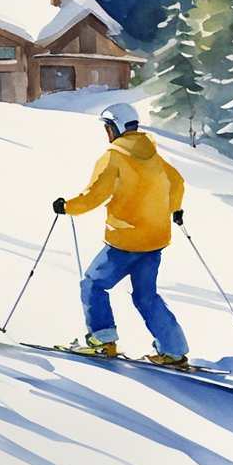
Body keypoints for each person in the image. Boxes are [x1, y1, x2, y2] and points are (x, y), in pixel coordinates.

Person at [52, 102, 190, 366]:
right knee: (146, 296)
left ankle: (102, 340)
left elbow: (94, 195)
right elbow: (177, 182)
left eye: (107, 128)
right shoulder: (153, 156)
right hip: (155, 240)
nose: (107, 134)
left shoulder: (114, 157)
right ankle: (173, 350)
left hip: (125, 241)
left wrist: (68, 207)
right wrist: (174, 209)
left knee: (93, 283)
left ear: (114, 128)